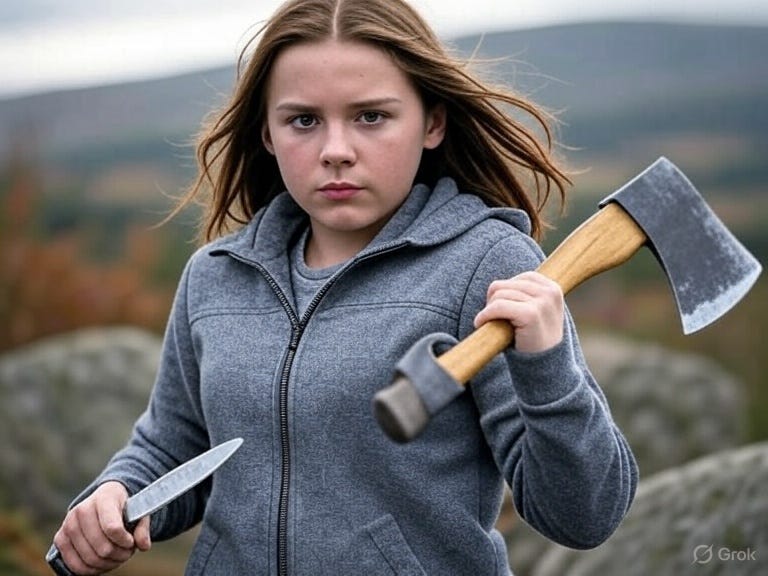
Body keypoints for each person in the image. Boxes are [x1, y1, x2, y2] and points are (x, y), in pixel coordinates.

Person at [50, 0, 638, 574]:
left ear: (432, 123)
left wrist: (547, 365)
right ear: (267, 133)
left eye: (371, 116)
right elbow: (174, 445)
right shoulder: (216, 276)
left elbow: (583, 517)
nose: (336, 151)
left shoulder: (488, 266)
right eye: (303, 120)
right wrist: (116, 494)